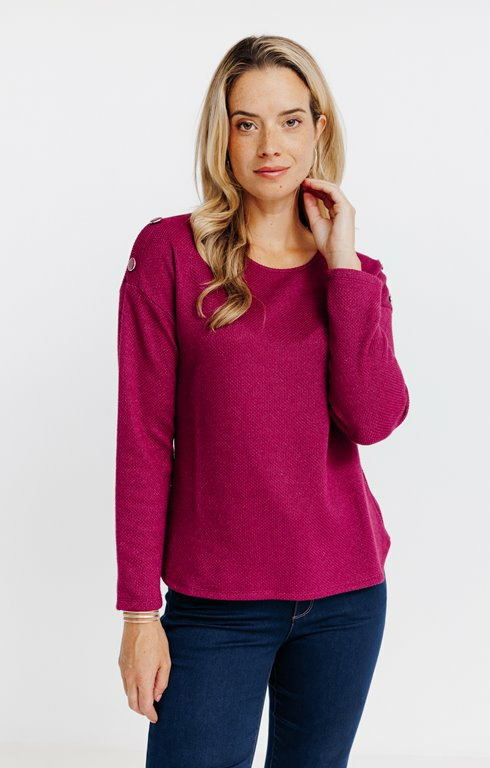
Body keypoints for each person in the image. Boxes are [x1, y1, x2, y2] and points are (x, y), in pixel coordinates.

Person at [115, 34, 410, 768]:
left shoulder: (356, 274)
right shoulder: (169, 255)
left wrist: (343, 266)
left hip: (345, 598)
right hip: (216, 606)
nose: (270, 144)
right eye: (246, 123)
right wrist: (139, 613)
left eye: (290, 120)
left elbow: (372, 419)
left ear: (318, 129)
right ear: (223, 136)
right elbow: (143, 438)